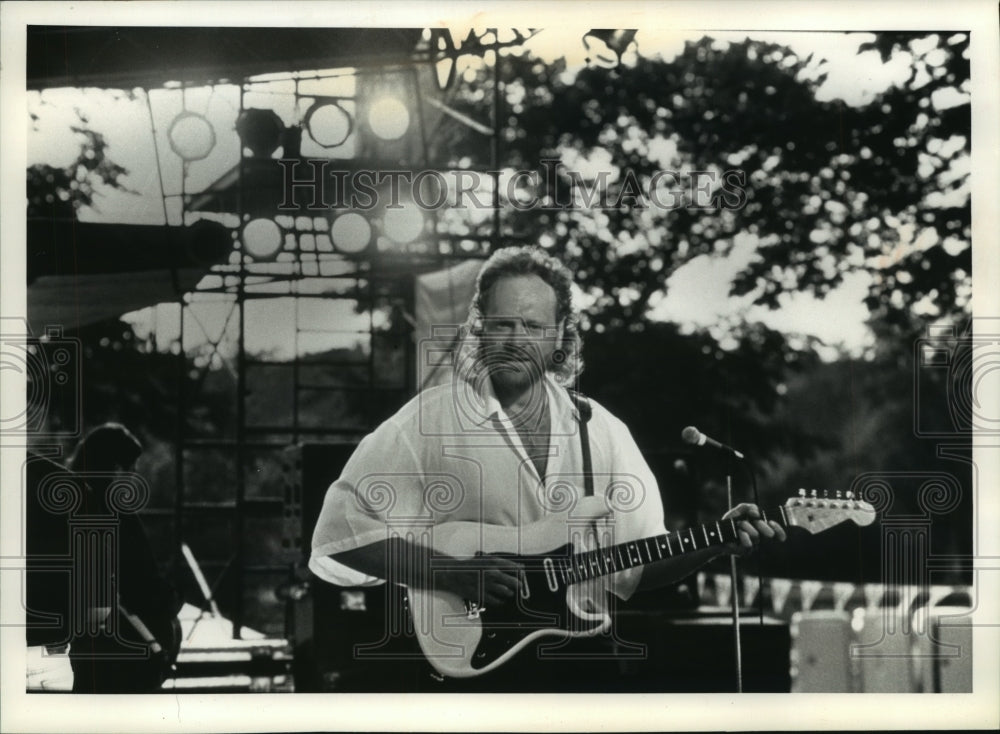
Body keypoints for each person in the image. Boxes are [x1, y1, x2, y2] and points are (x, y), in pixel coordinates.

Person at [310, 246, 785, 691]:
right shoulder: (429, 420)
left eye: (533, 326)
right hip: (475, 679)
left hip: (582, 671)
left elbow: (637, 565)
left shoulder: (600, 428)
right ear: (479, 328)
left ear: (560, 334)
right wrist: (448, 573)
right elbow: (339, 532)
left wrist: (712, 543)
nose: (516, 341)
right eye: (503, 324)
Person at [65, 423, 182, 693]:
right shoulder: (116, 514)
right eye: (132, 467)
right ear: (115, 467)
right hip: (128, 644)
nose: (135, 474)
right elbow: (141, 578)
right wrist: (172, 601)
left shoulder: (72, 505)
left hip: (87, 640)